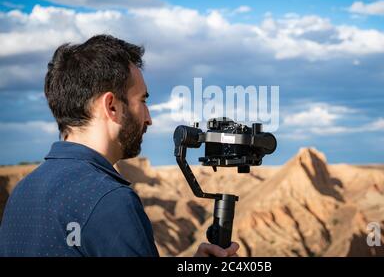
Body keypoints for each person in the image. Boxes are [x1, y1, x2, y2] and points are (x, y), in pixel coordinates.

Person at [0, 35, 239, 257]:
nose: (149, 118)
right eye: (143, 100)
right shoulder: (109, 201)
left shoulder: (22, 192)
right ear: (111, 106)